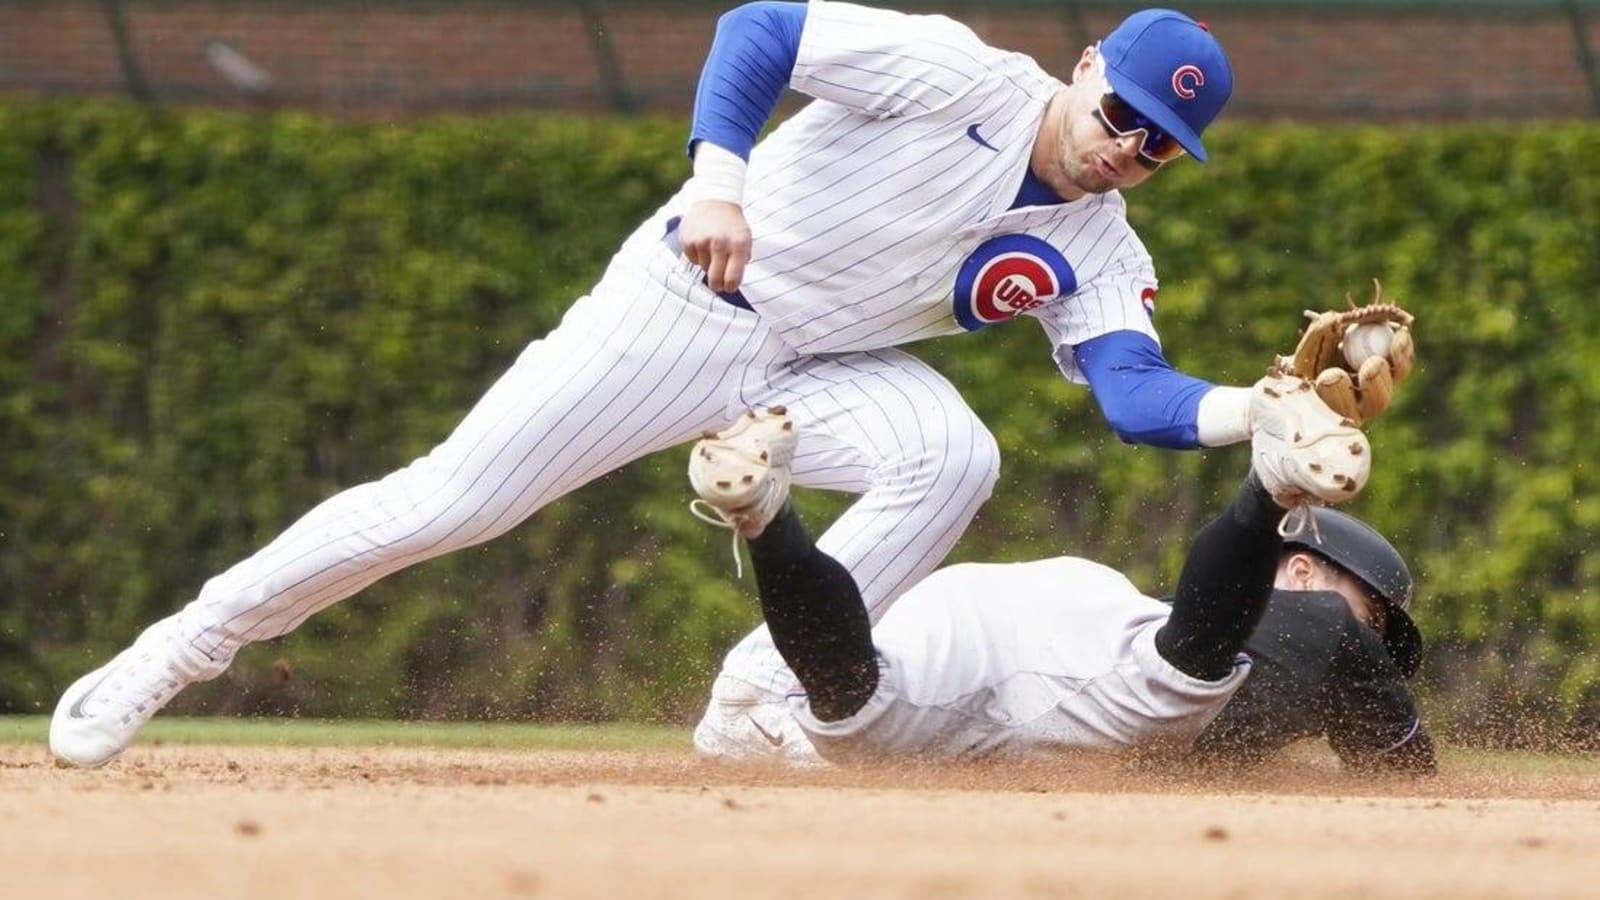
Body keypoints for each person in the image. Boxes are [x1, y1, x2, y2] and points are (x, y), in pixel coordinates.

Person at [52, 2, 1253, 768]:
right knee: (451, 505)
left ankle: (754, 695)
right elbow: (758, 30)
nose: (1127, 148)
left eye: (1158, 146)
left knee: (953, 457)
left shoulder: (1102, 247)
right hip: (685, 306)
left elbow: (1131, 394)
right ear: (1085, 63)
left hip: (823, 367)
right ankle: (183, 644)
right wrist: (719, 180)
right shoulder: (956, 72)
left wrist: (1262, 413)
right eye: (1121, 112)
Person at [686, 373, 1433, 773]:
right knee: (1177, 681)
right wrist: (1411, 770)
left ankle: (764, 518)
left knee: (857, 711)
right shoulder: (1311, 624)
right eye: (1376, 614)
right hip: (1063, 660)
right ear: (1300, 569)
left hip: (974, 639)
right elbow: (1335, 633)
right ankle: (1267, 487)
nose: (1372, 641)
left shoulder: (1243, 686)